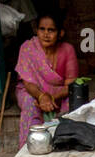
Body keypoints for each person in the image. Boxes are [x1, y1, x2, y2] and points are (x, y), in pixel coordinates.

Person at [16, 12, 78, 146]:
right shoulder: (27, 48)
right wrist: (41, 96)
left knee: (73, 101)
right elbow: (28, 82)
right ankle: (30, 147)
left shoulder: (67, 50)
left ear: (60, 33)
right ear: (36, 31)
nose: (46, 34)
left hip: (58, 93)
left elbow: (71, 85)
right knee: (28, 102)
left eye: (51, 30)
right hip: (32, 90)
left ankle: (63, 144)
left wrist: (52, 97)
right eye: (42, 29)